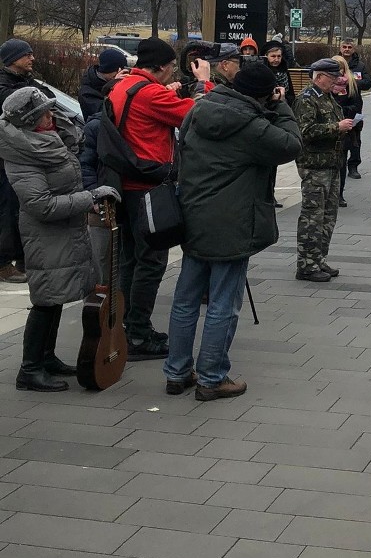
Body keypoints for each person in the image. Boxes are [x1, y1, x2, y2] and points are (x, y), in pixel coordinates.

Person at [163, 61, 302, 401]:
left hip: (193, 215)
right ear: (264, 94)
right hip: (232, 221)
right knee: (224, 302)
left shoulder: (199, 108)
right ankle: (211, 377)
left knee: (186, 300)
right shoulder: (250, 125)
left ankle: (177, 372)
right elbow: (291, 144)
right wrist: (281, 104)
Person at [0, 87, 119, 391]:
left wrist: (62, 121)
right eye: (44, 114)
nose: (51, 116)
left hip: (65, 230)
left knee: (55, 299)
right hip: (45, 235)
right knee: (45, 300)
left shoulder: (45, 139)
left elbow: (72, 151)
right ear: (29, 121)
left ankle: (47, 357)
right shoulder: (22, 153)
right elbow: (42, 205)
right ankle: (29, 369)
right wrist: (88, 197)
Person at [106, 37, 212, 360]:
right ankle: (138, 332)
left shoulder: (124, 86)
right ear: (164, 67)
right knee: (151, 260)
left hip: (125, 184)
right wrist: (204, 83)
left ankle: (125, 325)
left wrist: (173, 92)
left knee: (130, 259)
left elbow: (150, 109)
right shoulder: (150, 94)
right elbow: (196, 117)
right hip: (149, 186)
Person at [293, 58, 354, 283]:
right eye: (332, 78)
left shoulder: (328, 99)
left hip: (331, 164)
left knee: (328, 215)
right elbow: (305, 131)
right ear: (319, 77)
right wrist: (336, 127)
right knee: (312, 216)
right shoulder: (307, 100)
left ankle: (318, 259)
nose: (336, 82)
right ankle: (306, 265)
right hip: (313, 166)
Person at [0, 39, 55, 284]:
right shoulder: (4, 86)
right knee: (7, 208)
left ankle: (23, 258)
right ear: (12, 59)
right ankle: (3, 263)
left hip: (26, 153)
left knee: (23, 208)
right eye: (27, 55)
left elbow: (48, 99)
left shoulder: (27, 82)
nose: (32, 58)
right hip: (7, 156)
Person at [339, 39, 371, 178]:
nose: (346, 49)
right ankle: (339, 165)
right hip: (338, 105)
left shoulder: (360, 66)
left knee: (355, 138)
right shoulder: (335, 64)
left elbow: (368, 83)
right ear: (340, 48)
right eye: (344, 47)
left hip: (355, 107)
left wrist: (352, 82)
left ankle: (353, 166)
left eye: (349, 47)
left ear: (354, 49)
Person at [331, 54, 359, 207]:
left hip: (345, 130)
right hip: (329, 129)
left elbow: (356, 106)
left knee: (342, 163)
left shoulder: (350, 84)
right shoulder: (326, 86)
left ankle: (339, 194)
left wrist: (343, 111)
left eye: (339, 68)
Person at [79, 48, 129, 120]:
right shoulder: (87, 92)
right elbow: (108, 114)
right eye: (118, 71)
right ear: (109, 70)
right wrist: (114, 85)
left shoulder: (106, 81)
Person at [262, 40, 295, 105]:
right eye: (273, 56)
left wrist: (284, 99)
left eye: (279, 56)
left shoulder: (284, 71)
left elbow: (291, 94)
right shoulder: (262, 72)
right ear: (266, 56)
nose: (276, 59)